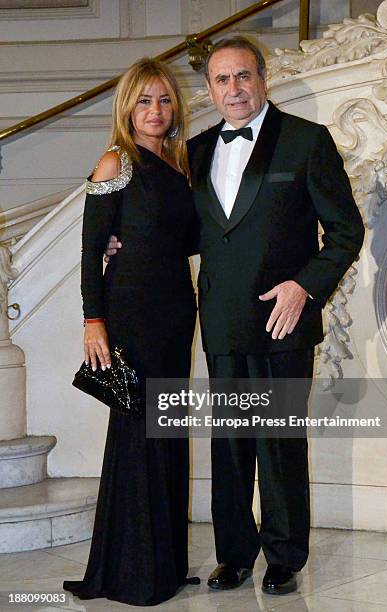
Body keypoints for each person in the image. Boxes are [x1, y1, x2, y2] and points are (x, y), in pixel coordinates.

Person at [106, 37, 365, 596]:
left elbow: (346, 232)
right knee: (229, 446)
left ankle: (284, 556)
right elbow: (175, 230)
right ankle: (234, 554)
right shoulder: (193, 153)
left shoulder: (306, 142)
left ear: (263, 79)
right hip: (220, 320)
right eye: (222, 81)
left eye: (243, 76)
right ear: (209, 90)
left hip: (283, 320)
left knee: (279, 444)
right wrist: (116, 243)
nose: (235, 89)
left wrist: (305, 286)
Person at [63, 58, 199, 607]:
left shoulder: (180, 162)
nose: (156, 110)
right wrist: (93, 320)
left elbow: (183, 239)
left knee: (166, 431)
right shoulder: (114, 161)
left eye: (164, 100)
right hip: (130, 311)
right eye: (144, 100)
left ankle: (164, 567)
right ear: (127, 107)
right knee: (138, 431)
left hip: (174, 310)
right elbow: (90, 247)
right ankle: (132, 573)